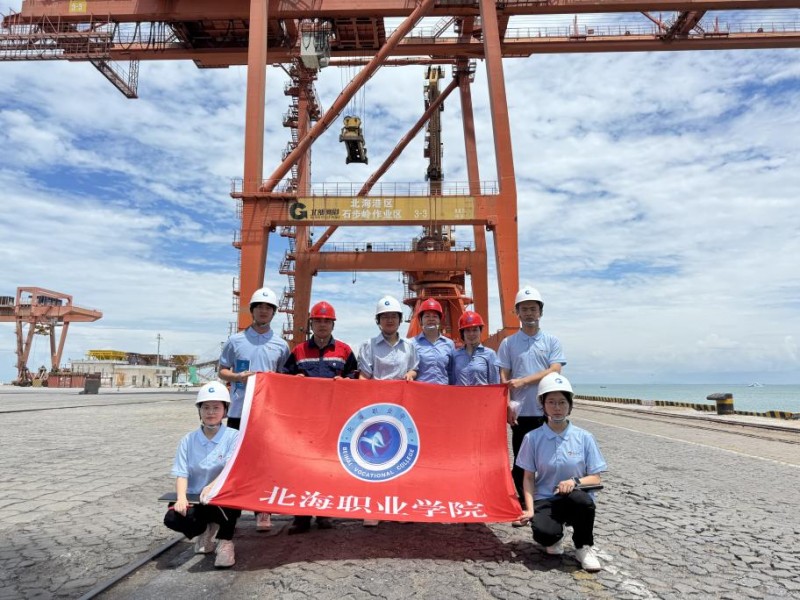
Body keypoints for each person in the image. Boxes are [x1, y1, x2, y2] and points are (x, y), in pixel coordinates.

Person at [516, 373, 607, 572]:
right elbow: (529, 478)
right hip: (546, 498)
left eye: (562, 402)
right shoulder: (532, 438)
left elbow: (596, 477)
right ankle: (555, 535)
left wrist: (574, 481)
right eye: (551, 402)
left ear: (570, 405)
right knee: (544, 536)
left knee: (584, 502)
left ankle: (583, 546)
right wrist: (530, 510)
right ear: (542, 404)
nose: (557, 408)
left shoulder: (584, 437)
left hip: (574, 498)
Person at [282, 300, 358, 534]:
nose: (322, 325)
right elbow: (283, 379)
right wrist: (294, 381)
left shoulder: (344, 351)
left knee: (328, 468)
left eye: (327, 321)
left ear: (333, 324)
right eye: (318, 321)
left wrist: (346, 382)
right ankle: (301, 516)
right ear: (311, 324)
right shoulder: (298, 351)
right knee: (302, 467)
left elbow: (355, 378)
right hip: (304, 421)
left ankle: (324, 512)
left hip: (333, 419)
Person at [218, 286, 290, 531]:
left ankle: (263, 510)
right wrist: (237, 377)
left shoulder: (281, 345)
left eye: (268, 308)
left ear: (273, 313)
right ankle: (233, 512)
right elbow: (222, 370)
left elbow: (284, 377)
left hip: (266, 415)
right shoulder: (235, 341)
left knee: (265, 462)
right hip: (239, 413)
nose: (263, 311)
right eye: (259, 307)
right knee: (236, 462)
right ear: (252, 310)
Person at [497, 286, 566, 504]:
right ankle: (520, 501)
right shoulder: (508, 343)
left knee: (549, 456)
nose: (529, 313)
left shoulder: (551, 341)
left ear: (540, 312)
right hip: (522, 411)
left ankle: (546, 498)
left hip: (547, 410)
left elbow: (555, 369)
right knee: (521, 457)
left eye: (533, 309)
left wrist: (525, 380)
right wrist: (507, 405)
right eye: (524, 309)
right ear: (517, 313)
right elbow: (504, 374)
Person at [163, 382, 242, 568]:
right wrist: (181, 498)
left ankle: (225, 541)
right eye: (206, 407)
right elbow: (181, 473)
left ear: (225, 410)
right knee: (173, 517)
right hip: (196, 497)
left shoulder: (234, 436)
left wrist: (213, 485)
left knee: (230, 505)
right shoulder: (188, 440)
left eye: (216, 407)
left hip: (222, 498)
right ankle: (205, 530)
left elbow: (231, 468)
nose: (211, 412)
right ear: (199, 410)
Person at [357, 295, 419, 526]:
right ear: (378, 320)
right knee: (374, 456)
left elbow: (414, 370)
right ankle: (373, 507)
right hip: (376, 409)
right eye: (385, 317)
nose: (389, 320)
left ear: (400, 319)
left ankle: (398, 505)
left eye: (393, 316)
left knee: (401, 454)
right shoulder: (369, 346)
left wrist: (411, 375)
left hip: (402, 410)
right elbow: (364, 374)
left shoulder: (409, 347)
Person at [410, 298, 455, 385]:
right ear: (420, 320)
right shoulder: (412, 344)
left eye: (435, 316)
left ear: (439, 320)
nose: (431, 319)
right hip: (421, 393)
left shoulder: (449, 344)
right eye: (427, 316)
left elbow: (452, 372)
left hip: (443, 393)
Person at [452, 310, 500, 386]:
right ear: (462, 333)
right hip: (460, 397)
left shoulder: (490, 354)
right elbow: (452, 382)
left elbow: (494, 383)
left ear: (480, 331)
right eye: (467, 330)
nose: (471, 334)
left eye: (475, 330)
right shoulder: (455, 355)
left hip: (481, 397)